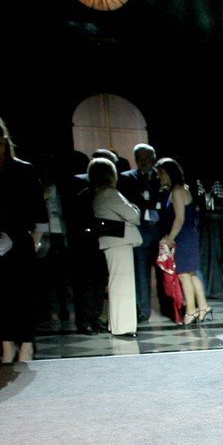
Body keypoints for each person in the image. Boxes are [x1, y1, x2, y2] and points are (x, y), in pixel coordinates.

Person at [0, 113, 48, 362]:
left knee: (22, 294)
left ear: (6, 141)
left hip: (18, 238)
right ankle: (6, 344)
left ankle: (26, 344)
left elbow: (38, 210)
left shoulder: (22, 169)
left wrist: (36, 239)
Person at [88, 157, 143, 337]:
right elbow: (133, 216)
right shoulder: (110, 194)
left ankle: (117, 324)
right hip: (119, 242)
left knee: (117, 283)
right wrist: (134, 207)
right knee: (122, 285)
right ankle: (123, 326)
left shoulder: (98, 194)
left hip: (112, 242)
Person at [158, 158, 209, 324]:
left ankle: (191, 310)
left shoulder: (178, 191)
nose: (159, 176)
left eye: (162, 173)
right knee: (191, 273)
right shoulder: (178, 190)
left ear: (170, 174)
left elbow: (179, 218)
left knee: (183, 274)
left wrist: (170, 238)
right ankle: (203, 306)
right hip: (188, 235)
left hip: (184, 236)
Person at [118, 144, 162, 322]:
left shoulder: (161, 176)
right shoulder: (127, 178)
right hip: (140, 231)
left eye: (147, 158)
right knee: (141, 273)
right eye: (139, 158)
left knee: (165, 271)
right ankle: (143, 310)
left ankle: (170, 308)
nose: (143, 162)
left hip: (161, 230)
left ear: (153, 159)